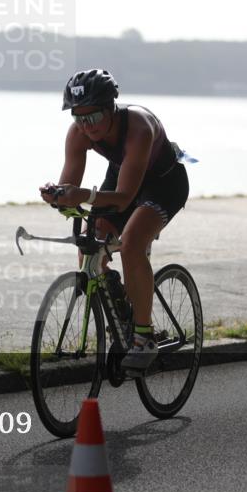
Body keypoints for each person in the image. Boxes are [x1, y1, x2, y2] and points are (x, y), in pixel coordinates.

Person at [39, 69, 189, 372]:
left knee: (132, 243)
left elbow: (122, 198)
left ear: (111, 108)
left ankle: (144, 337)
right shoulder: (79, 133)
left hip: (163, 184)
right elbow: (71, 186)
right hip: (123, 176)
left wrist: (82, 195)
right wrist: (58, 197)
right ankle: (122, 315)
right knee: (88, 246)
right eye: (78, 117)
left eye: (92, 117)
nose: (85, 125)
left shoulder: (139, 127)